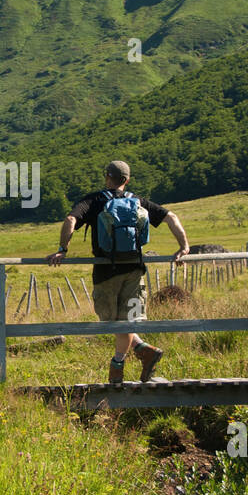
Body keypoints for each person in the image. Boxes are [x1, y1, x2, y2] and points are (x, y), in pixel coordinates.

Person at [47, 161, 188, 384]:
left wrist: (63, 249)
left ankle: (118, 367)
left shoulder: (95, 200)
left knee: (112, 322)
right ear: (127, 180)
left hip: (106, 272)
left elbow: (70, 219)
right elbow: (171, 217)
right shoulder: (137, 201)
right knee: (127, 321)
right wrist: (184, 247)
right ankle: (143, 351)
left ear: (107, 177)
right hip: (134, 270)